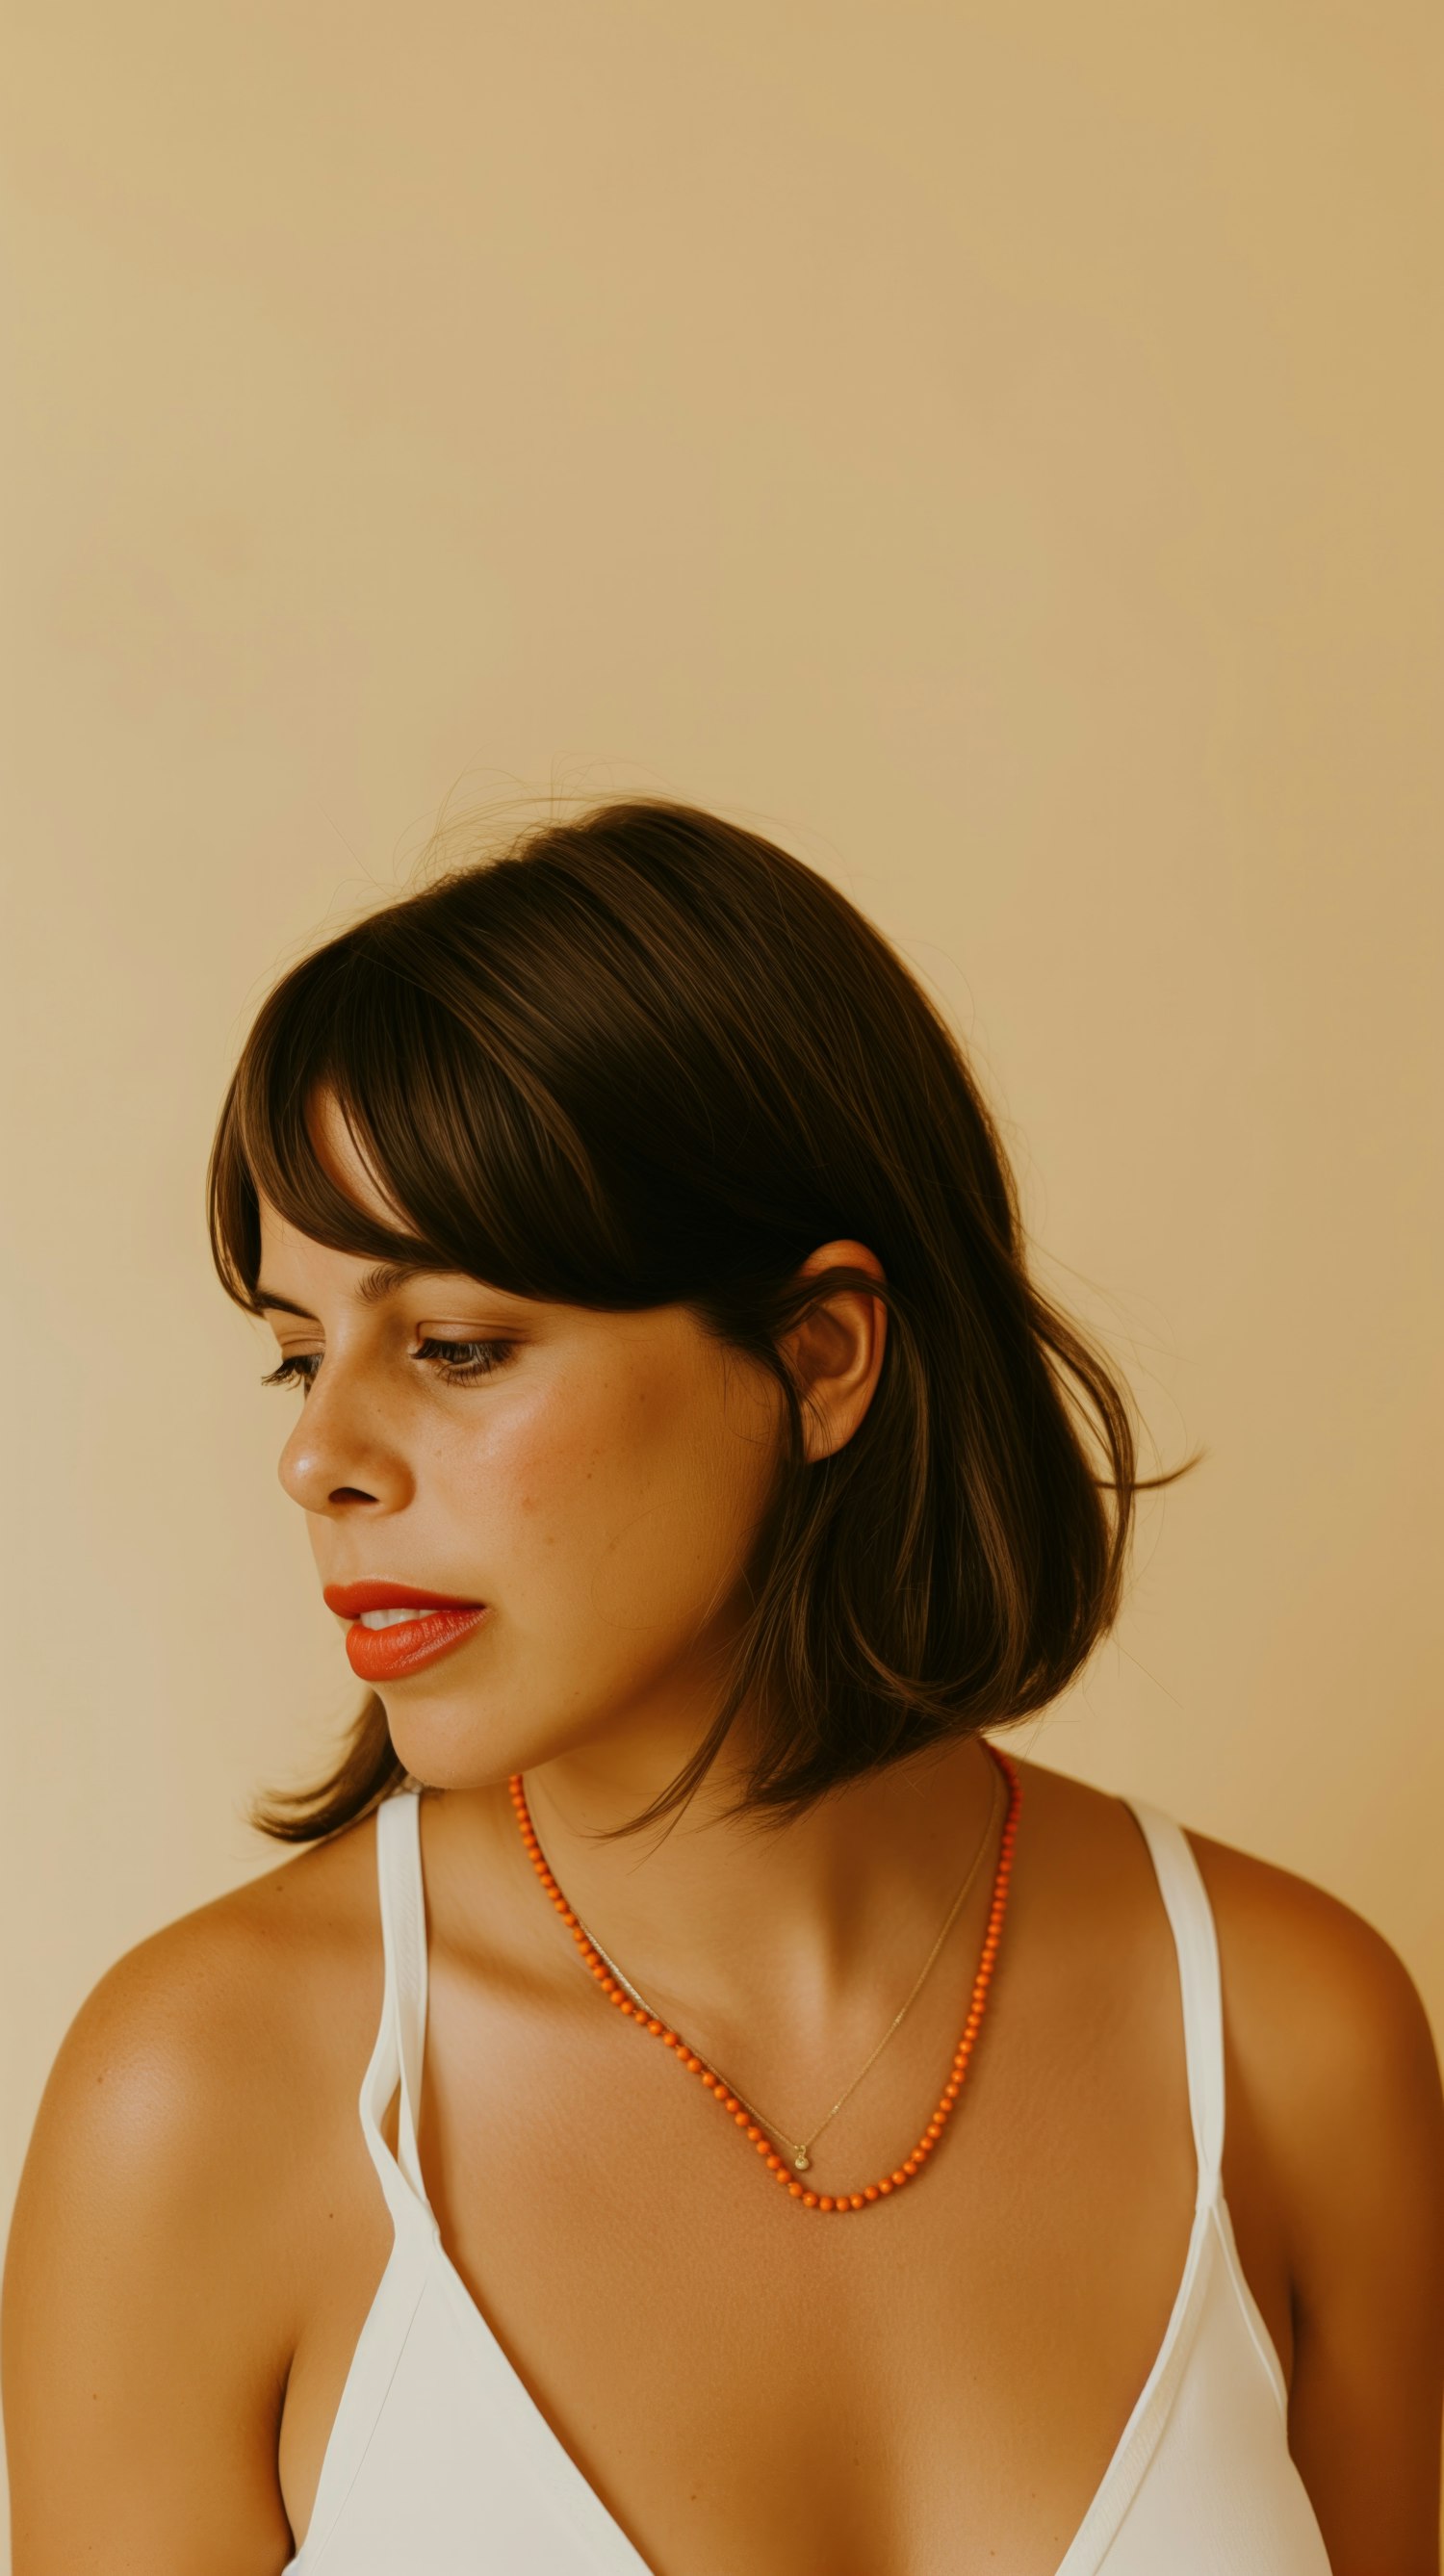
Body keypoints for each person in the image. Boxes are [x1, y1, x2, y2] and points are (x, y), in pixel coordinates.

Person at [4, 799, 1441, 2575]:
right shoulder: (206, 2102)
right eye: (301, 1355)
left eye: (453, 1346)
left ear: (819, 1359)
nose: (322, 1456)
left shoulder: (1297, 2043)